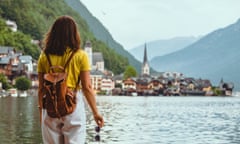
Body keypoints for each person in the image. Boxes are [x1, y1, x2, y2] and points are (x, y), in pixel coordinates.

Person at [37, 15, 104, 144]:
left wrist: (41, 113)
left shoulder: (44, 56)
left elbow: (41, 89)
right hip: (73, 104)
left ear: (53, 33)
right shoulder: (81, 56)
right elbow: (87, 87)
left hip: (50, 106)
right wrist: (95, 113)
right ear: (74, 34)